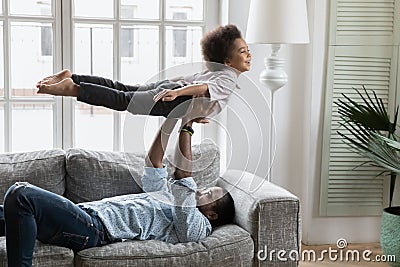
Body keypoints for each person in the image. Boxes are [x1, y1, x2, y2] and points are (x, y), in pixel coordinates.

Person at [0, 118, 235, 267]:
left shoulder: (196, 228)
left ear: (212, 215)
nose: (201, 189)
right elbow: (154, 162)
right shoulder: (166, 197)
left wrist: (188, 126)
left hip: (93, 229)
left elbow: (184, 178)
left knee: (21, 195)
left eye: (208, 194)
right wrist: (171, 120)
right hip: (81, 215)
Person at [35, 24, 251, 119]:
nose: (249, 55)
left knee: (122, 89)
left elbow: (189, 80)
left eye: (247, 50)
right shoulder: (228, 78)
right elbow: (203, 88)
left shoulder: (216, 73)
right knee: (122, 100)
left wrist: (167, 86)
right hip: (174, 98)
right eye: (243, 52)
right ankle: (74, 89)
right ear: (227, 61)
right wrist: (176, 93)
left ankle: (73, 77)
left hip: (171, 89)